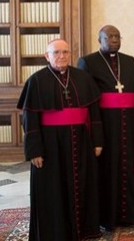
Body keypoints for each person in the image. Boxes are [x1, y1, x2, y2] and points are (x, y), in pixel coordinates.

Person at [17, 39, 104, 240]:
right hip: (50, 145)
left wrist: (98, 141)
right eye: (56, 52)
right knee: (53, 189)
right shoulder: (36, 81)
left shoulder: (83, 78)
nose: (61, 56)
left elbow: (94, 114)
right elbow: (29, 119)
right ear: (47, 56)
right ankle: (54, 232)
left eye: (65, 52)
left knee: (82, 184)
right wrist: (34, 150)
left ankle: (84, 229)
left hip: (81, 142)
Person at [77, 25, 134, 230]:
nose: (114, 40)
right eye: (109, 37)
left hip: (127, 124)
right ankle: (106, 216)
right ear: (99, 39)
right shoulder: (88, 62)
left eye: (117, 36)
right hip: (103, 125)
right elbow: (86, 98)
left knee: (127, 167)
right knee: (107, 169)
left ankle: (129, 214)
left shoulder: (128, 61)